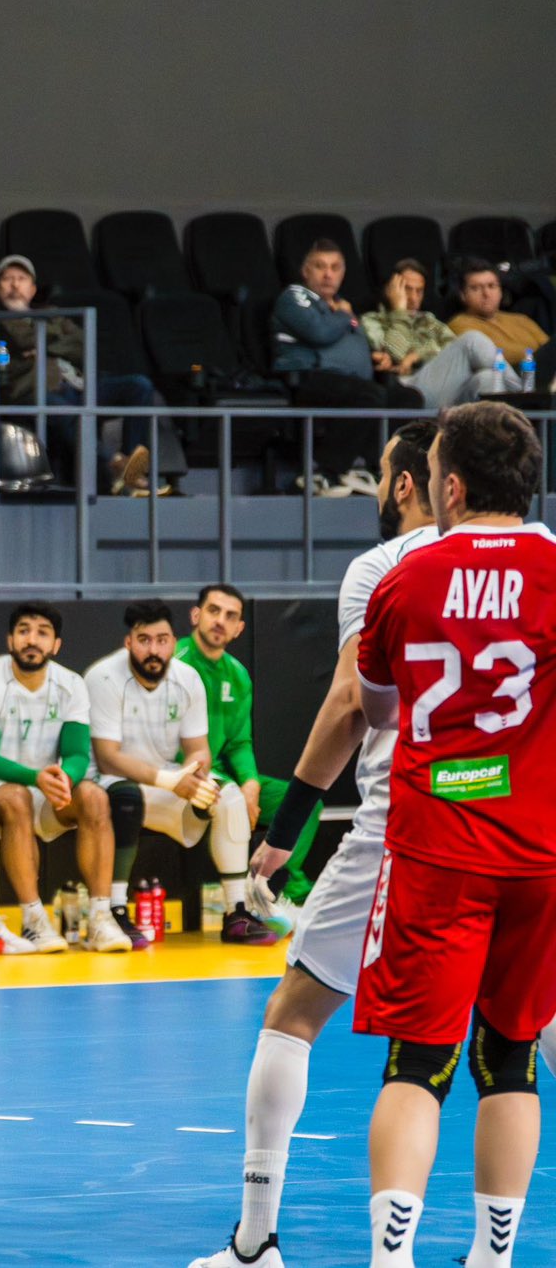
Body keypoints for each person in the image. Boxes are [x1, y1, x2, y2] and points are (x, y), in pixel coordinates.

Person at [190, 418, 438, 1268]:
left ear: (405, 483)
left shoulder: (384, 566)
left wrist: (286, 831)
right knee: (529, 1024)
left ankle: (255, 1242)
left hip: (402, 821)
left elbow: (346, 704)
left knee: (294, 1013)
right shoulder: (539, 555)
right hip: (515, 820)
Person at [350, 401, 556, 1268]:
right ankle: (493, 1259)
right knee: (512, 1060)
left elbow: (374, 707)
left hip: (437, 848)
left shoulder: (405, 578)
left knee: (416, 1064)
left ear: (454, 486)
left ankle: (391, 1259)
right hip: (541, 853)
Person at [86, 600, 278, 948]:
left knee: (229, 796)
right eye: (144, 640)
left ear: (173, 642)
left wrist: (196, 774)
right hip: (109, 783)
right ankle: (115, 911)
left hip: (166, 782)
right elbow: (107, 758)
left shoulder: (187, 678)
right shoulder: (102, 676)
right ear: (128, 643)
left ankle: (237, 912)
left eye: (162, 640)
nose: (153, 650)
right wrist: (170, 781)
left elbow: (198, 748)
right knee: (126, 797)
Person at [0, 603, 133, 952]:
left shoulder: (71, 684)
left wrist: (64, 780)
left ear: (56, 645)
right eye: (24, 631)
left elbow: (78, 754)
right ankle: (34, 920)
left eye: (42, 633)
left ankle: (101, 919)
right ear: (10, 640)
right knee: (16, 798)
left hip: (45, 785)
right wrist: (37, 777)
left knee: (94, 797)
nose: (32, 640)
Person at [176, 584, 324, 900]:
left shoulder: (238, 674)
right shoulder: (175, 663)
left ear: (239, 628)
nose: (220, 621)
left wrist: (251, 784)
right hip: (183, 776)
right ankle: (264, 896)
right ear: (196, 615)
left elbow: (239, 743)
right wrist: (232, 785)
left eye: (230, 616)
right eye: (214, 611)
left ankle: (279, 885)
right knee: (230, 797)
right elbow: (169, 746)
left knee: (304, 803)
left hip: (223, 775)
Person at [0, 254, 157, 495]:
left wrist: (43, 346)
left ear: (32, 289)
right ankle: (115, 464)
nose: (15, 285)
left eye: (21, 279)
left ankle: (132, 466)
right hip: (34, 390)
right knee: (71, 413)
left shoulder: (52, 312)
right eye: (7, 279)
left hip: (79, 385)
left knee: (139, 386)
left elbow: (83, 345)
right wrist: (55, 339)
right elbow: (22, 339)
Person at [271, 240, 424, 494]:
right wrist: (344, 315)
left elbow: (349, 344)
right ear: (306, 271)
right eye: (320, 266)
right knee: (369, 395)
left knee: (408, 397)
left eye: (335, 267)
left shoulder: (342, 305)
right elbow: (319, 332)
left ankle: (373, 469)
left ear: (343, 273)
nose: (328, 274)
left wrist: (373, 358)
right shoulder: (295, 296)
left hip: (350, 382)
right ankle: (324, 471)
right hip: (309, 378)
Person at [362, 260, 516, 408]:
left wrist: (417, 355)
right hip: (407, 389)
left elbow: (452, 347)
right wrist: (399, 312)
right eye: (407, 289)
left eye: (419, 291)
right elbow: (396, 353)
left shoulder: (427, 322)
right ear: (391, 289)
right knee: (471, 340)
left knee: (487, 378)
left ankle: (509, 417)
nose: (414, 298)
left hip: (445, 387)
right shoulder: (373, 321)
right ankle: (524, 395)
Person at [447, 258, 549, 372]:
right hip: (506, 377)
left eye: (491, 286)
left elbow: (549, 347)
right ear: (463, 296)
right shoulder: (458, 324)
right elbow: (497, 355)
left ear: (500, 291)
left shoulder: (521, 319)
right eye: (476, 288)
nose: (486, 294)